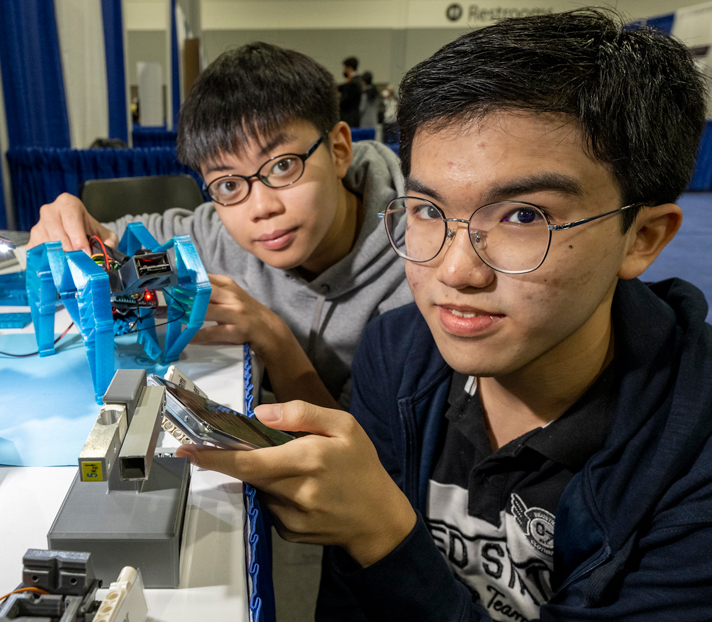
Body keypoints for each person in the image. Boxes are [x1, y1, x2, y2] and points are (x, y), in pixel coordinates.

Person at [176, 9, 712, 621]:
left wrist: (385, 538)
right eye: (427, 210)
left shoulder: (690, 464)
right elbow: (349, 605)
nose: (456, 272)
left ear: (642, 237)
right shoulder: (399, 353)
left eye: (521, 216)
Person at [29, 43, 411, 410]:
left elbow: (365, 458)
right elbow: (117, 237)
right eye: (229, 184)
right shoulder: (216, 232)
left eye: (282, 166)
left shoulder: (418, 272)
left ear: (339, 150)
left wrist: (273, 339)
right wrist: (72, 223)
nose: (261, 208)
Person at [338, 56, 362, 127]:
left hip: (349, 119)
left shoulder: (353, 84)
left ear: (349, 68)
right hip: (352, 118)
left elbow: (344, 101)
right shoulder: (357, 81)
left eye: (345, 68)